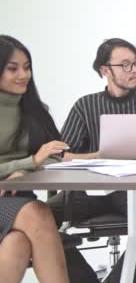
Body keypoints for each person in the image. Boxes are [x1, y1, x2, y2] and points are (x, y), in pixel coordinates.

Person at [47, 38, 136, 283]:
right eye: (126, 65)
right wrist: (97, 156)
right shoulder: (85, 105)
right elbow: (60, 154)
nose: (135, 70)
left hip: (135, 193)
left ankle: (119, 280)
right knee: (38, 217)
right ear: (105, 70)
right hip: (85, 194)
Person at [0, 35, 70, 283]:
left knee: (17, 244)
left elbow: (55, 157)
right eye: (13, 68)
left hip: (17, 200)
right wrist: (28, 163)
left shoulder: (35, 110)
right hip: (18, 206)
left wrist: (25, 171)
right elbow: (37, 158)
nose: (24, 74)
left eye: (27, 67)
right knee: (39, 213)